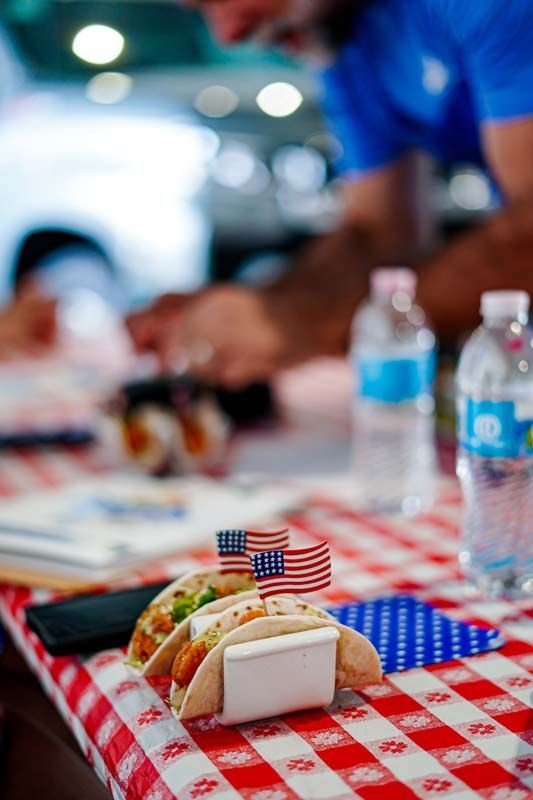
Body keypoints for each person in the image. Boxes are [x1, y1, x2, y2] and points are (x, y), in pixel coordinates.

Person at [129, 0, 533, 387]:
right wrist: (256, 308)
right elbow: (376, 237)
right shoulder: (340, 38)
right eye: (203, 9)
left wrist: (307, 323)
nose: (229, 35)